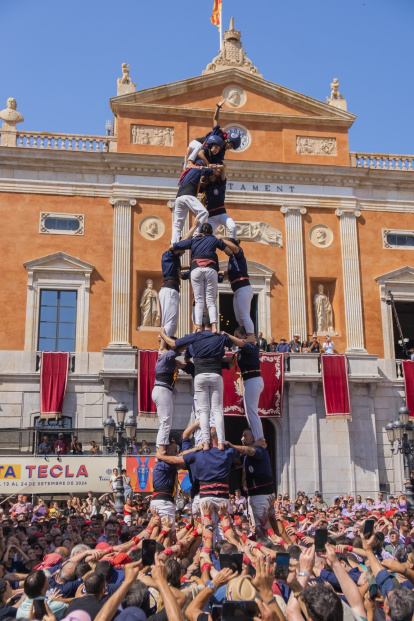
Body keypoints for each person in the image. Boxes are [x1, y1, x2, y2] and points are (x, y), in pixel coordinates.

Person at [161, 325, 233, 450]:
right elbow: (229, 362)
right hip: (214, 375)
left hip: (200, 381)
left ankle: (205, 443)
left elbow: (183, 359)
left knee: (203, 414)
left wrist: (162, 336)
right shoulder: (216, 343)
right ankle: (218, 442)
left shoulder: (194, 342)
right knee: (215, 412)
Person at [171, 222, 237, 332]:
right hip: (211, 269)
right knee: (211, 300)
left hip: (196, 268)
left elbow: (176, 245)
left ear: (201, 232)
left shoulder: (194, 240)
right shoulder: (214, 239)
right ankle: (214, 326)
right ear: (211, 232)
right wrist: (218, 239)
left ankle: (198, 327)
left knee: (198, 300)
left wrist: (192, 238)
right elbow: (229, 252)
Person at [159, 218, 199, 339]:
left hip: (171, 289)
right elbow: (180, 244)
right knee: (170, 322)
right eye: (183, 248)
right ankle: (163, 346)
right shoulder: (169, 254)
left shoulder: (173, 260)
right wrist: (193, 228)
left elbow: (181, 271)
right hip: (170, 290)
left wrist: (194, 266)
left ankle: (164, 344)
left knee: (170, 322)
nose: (184, 251)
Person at [223, 327, 264, 442]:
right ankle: (256, 438)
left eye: (237, 335)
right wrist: (217, 358)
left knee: (252, 411)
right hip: (248, 381)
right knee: (248, 412)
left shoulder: (252, 347)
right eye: (234, 335)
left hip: (253, 379)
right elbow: (230, 359)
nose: (236, 338)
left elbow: (242, 344)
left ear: (244, 335)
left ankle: (260, 438)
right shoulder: (241, 352)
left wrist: (227, 334)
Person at [227, 429, 274, 528]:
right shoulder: (246, 457)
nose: (242, 439)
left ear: (253, 438)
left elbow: (249, 450)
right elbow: (237, 461)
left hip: (261, 495)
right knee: (257, 527)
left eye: (245, 436)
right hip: (253, 496)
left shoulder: (260, 450)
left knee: (263, 528)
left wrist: (232, 446)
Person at [152, 338, 186, 453]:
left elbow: (182, 365)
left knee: (166, 422)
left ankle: (159, 447)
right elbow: (177, 350)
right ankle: (161, 449)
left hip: (162, 390)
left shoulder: (169, 360)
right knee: (166, 422)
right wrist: (190, 341)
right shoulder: (166, 356)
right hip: (162, 390)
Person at [170, 161, 215, 244]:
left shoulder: (187, 174)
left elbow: (196, 186)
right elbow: (210, 171)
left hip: (179, 198)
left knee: (177, 224)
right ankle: (195, 233)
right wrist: (210, 167)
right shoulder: (196, 170)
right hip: (188, 195)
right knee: (204, 212)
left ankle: (174, 242)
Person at [224, 239, 255, 338]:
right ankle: (243, 336)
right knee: (239, 318)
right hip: (237, 290)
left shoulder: (238, 254)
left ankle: (251, 338)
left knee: (245, 315)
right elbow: (227, 275)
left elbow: (235, 248)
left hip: (243, 288)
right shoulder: (232, 259)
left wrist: (220, 239)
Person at [201, 164, 237, 239]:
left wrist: (214, 168)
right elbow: (202, 180)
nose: (210, 177)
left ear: (217, 175)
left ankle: (233, 245)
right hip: (211, 217)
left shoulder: (221, 183)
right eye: (209, 175)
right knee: (207, 236)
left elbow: (223, 168)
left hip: (222, 214)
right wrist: (208, 170)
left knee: (233, 227)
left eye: (212, 175)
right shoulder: (206, 186)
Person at [150, 439, 178, 530]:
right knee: (167, 533)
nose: (177, 454)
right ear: (169, 451)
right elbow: (178, 461)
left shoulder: (163, 462)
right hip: (163, 502)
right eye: (175, 451)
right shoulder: (163, 464)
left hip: (164, 501)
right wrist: (159, 455)